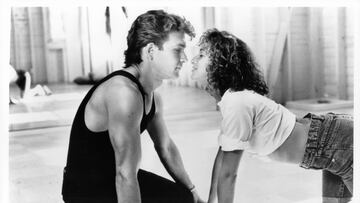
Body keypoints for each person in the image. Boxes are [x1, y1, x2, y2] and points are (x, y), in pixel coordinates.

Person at [190, 29, 353, 203]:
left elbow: (229, 174)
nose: (192, 60)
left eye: (200, 55)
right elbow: (222, 159)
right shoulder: (233, 100)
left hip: (339, 143)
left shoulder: (237, 102)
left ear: (219, 64)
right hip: (331, 147)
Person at [62, 10, 204, 203]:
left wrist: (193, 192)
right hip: (85, 189)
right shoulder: (123, 93)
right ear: (151, 51)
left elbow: (166, 147)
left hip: (110, 177)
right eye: (177, 50)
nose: (185, 58)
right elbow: (125, 175)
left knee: (184, 199)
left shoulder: (152, 96)